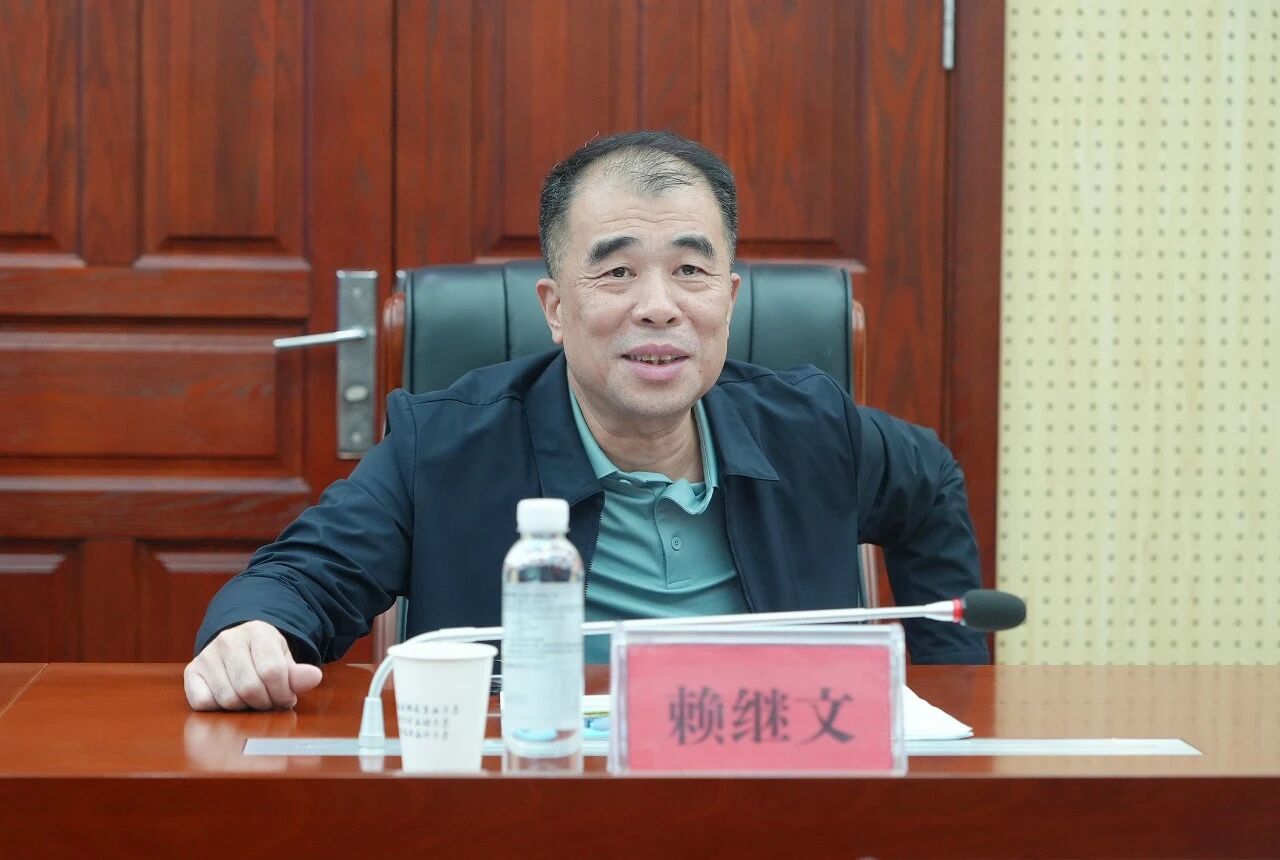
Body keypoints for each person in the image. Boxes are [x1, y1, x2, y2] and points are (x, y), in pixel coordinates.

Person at [185, 131, 988, 711]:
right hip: (534, 803)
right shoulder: (447, 447)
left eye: (690, 270)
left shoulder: (813, 429)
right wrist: (254, 630)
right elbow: (303, 577)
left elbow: (931, 489)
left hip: (771, 800)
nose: (659, 307)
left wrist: (949, 687)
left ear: (730, 298)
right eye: (616, 272)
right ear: (555, 307)